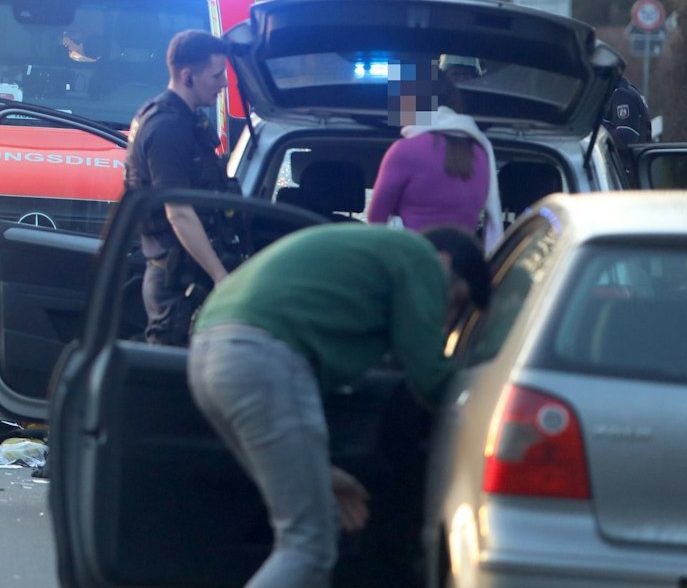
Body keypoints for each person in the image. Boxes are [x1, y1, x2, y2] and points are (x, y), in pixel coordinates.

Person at [188, 224, 491, 588]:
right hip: (266, 361)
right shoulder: (421, 258)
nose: (448, 320)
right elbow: (428, 373)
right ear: (445, 262)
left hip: (209, 352)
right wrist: (487, 400)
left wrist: (323, 472)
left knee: (318, 529)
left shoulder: (376, 251)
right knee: (308, 546)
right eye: (456, 303)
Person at [124, 29, 238, 346]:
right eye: (216, 76)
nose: (224, 84)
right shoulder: (167, 128)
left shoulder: (183, 120)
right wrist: (221, 278)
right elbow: (179, 214)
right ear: (187, 76)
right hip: (178, 285)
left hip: (186, 275)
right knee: (170, 386)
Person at [366, 68, 500, 250]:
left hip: (413, 264)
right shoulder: (480, 151)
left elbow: (376, 220)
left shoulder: (405, 150)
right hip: (459, 269)